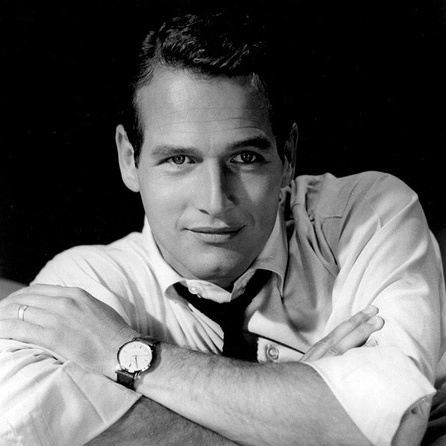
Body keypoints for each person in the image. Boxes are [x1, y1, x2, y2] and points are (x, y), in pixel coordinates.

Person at [0, 10, 444, 446]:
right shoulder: (82, 286)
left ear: (287, 157)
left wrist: (128, 353)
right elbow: (25, 423)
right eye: (179, 159)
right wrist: (309, 417)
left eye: (245, 158)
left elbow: (398, 425)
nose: (215, 201)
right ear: (129, 159)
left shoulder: (365, 215)